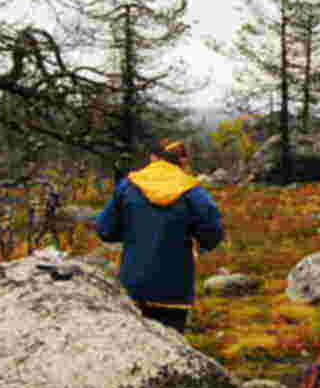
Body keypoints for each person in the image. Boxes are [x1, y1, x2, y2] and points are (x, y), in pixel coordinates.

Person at [94, 139, 225, 332]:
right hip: (175, 289)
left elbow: (105, 229)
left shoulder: (129, 185)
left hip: (132, 284)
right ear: (182, 161)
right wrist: (199, 244)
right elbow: (213, 233)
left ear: (153, 157)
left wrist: (135, 235)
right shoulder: (192, 190)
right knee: (171, 347)